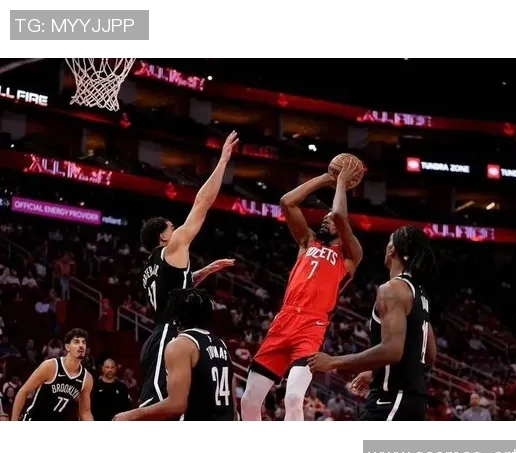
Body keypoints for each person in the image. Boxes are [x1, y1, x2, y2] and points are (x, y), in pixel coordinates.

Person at [241, 161, 363, 421]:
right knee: (249, 400)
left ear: (343, 230)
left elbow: (339, 215)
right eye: (324, 219)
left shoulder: (350, 256)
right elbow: (287, 202)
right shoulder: (308, 242)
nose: (326, 221)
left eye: (331, 221)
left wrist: (341, 182)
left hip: (312, 325)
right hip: (284, 319)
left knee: (294, 397)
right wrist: (326, 178)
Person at [138, 131, 238, 407]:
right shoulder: (173, 247)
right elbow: (202, 203)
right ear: (163, 237)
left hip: (165, 332)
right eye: (172, 227)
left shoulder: (151, 266)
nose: (178, 229)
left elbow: (174, 288)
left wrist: (204, 272)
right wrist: (223, 161)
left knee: (182, 404)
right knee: (156, 404)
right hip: (169, 333)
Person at [308, 226, 436, 421]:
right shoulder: (420, 294)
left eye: (389, 242)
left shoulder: (392, 289)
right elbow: (428, 355)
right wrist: (377, 371)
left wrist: (333, 361)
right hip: (413, 401)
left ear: (392, 249)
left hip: (392, 400)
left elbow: (392, 350)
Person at [114, 288, 235, 421]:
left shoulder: (181, 344)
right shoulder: (221, 344)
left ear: (175, 316)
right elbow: (233, 405)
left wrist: (130, 416)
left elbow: (176, 405)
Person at [11, 328, 93, 421]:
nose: (81, 345)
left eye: (84, 342)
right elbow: (23, 392)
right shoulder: (50, 366)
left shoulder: (87, 378)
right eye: (76, 342)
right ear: (67, 347)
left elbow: (85, 412)